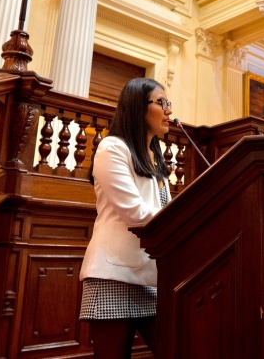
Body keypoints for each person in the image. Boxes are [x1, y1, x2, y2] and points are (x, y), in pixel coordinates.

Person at [79, 78, 173, 357]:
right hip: (114, 276)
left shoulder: (156, 158)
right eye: (161, 103)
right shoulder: (113, 148)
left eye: (169, 104)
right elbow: (135, 214)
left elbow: (166, 212)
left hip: (151, 279)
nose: (169, 111)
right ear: (137, 107)